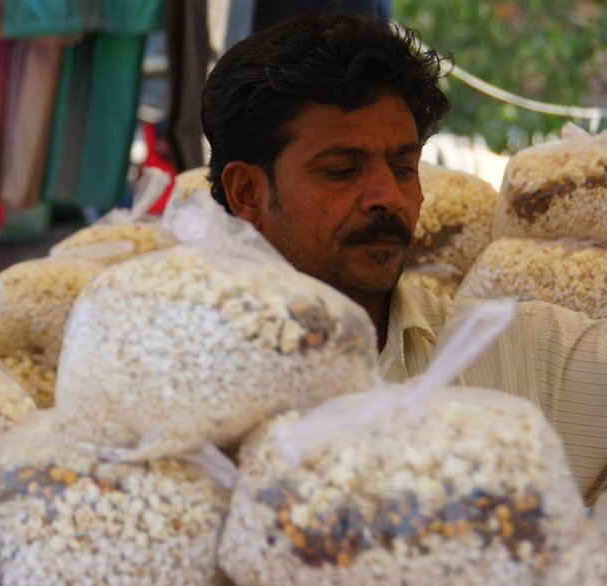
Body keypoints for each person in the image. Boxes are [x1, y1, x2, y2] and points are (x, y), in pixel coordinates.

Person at [200, 12, 607, 503]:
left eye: (403, 167)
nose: (388, 197)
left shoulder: (511, 352)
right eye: (342, 170)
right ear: (247, 191)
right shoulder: (178, 382)